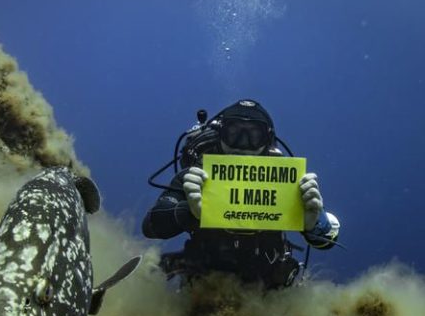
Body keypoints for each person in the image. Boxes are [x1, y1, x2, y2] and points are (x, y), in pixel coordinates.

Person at [142, 99, 340, 289]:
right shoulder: (195, 178)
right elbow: (151, 226)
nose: (242, 143)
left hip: (270, 286)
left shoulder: (289, 184)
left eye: (254, 135)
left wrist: (313, 223)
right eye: (233, 132)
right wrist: (190, 212)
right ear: (220, 136)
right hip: (203, 283)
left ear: (267, 141)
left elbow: (328, 240)